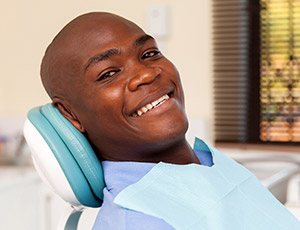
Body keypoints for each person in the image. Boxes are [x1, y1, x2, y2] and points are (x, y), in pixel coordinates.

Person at [40, 12, 300, 229]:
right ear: (71, 114)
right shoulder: (136, 220)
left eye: (149, 54)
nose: (146, 74)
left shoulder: (209, 162)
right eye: (109, 73)